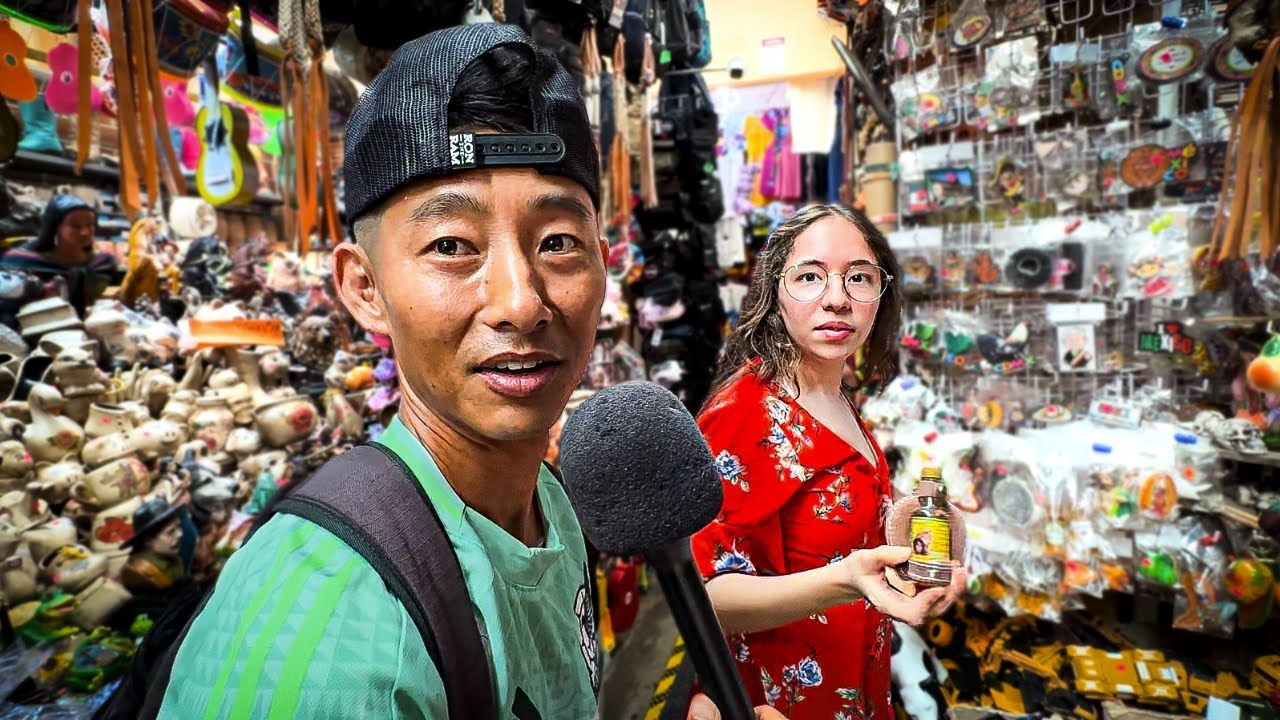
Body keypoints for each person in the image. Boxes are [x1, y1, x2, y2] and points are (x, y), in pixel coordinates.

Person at [152, 24, 783, 720]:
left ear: (603, 266)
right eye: (451, 245)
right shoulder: (333, 640)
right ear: (364, 288)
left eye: (558, 243)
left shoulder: (553, 511)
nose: (520, 302)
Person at [691, 204, 967, 719]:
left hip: (855, 684)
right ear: (777, 292)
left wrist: (920, 560)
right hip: (779, 703)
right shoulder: (746, 415)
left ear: (880, 293)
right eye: (810, 277)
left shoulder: (837, 392)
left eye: (858, 278)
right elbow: (706, 598)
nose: (837, 298)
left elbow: (838, 533)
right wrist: (846, 581)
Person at [0, 194, 119, 316]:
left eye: (90, 225)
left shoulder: (103, 263)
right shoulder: (21, 262)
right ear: (55, 226)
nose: (84, 232)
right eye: (75, 226)